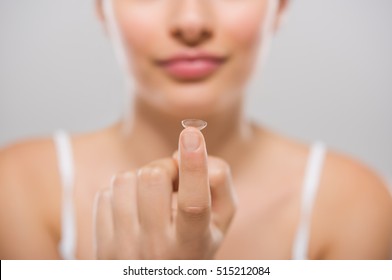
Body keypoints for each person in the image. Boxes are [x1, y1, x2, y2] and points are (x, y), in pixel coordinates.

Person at [0, 0, 391, 260]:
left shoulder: (355, 205)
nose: (191, 23)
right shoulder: (16, 188)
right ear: (102, 8)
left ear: (281, 6)